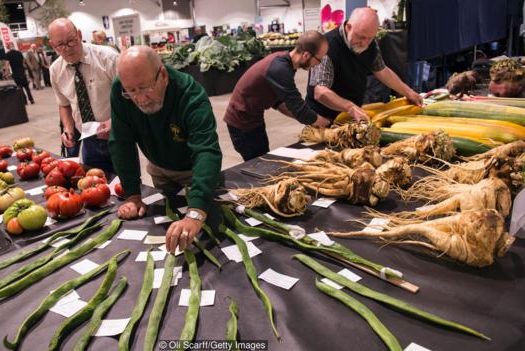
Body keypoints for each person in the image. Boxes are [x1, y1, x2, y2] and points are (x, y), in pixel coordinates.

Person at [108, 46, 222, 253]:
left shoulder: (191, 94)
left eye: (144, 88)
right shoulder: (119, 90)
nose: (140, 98)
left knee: (207, 228)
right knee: (168, 217)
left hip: (194, 172)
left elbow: (206, 151)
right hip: (159, 168)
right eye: (131, 91)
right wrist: (132, 194)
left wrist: (195, 212)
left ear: (163, 75)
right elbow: (121, 142)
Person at [223, 30, 328, 161]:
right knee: (259, 164)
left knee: (262, 158)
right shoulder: (280, 69)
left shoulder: (286, 63)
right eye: (319, 59)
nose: (319, 64)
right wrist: (323, 123)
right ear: (306, 55)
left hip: (252, 119)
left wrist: (307, 117)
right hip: (242, 123)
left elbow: (279, 102)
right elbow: (297, 106)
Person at [306, 7, 423, 125]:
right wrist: (350, 107)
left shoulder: (370, 43)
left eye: (370, 38)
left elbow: (382, 71)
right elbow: (320, 92)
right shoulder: (326, 46)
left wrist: (409, 92)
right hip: (322, 119)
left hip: (351, 117)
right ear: (348, 27)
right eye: (361, 37)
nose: (365, 43)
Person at [48, 18, 118, 174]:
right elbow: (64, 105)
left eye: (71, 41)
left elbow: (129, 97)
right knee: (95, 186)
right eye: (60, 45)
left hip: (117, 136)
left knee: (127, 187)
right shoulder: (55, 70)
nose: (67, 48)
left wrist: (113, 121)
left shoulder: (108, 58)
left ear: (79, 35)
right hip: (88, 140)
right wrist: (68, 129)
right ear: (52, 45)